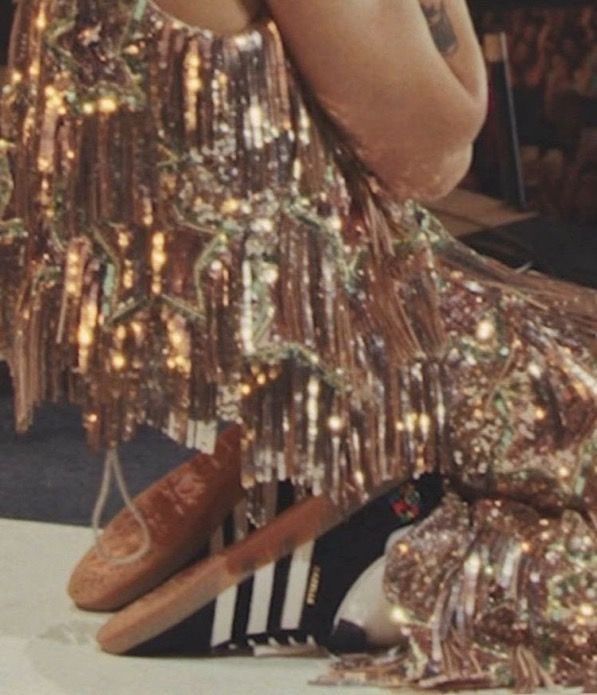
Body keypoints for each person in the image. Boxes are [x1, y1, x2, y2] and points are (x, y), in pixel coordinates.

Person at [1, 0, 595, 691]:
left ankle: (297, 471)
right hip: (317, 321)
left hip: (179, 308)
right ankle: (372, 564)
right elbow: (432, 151)